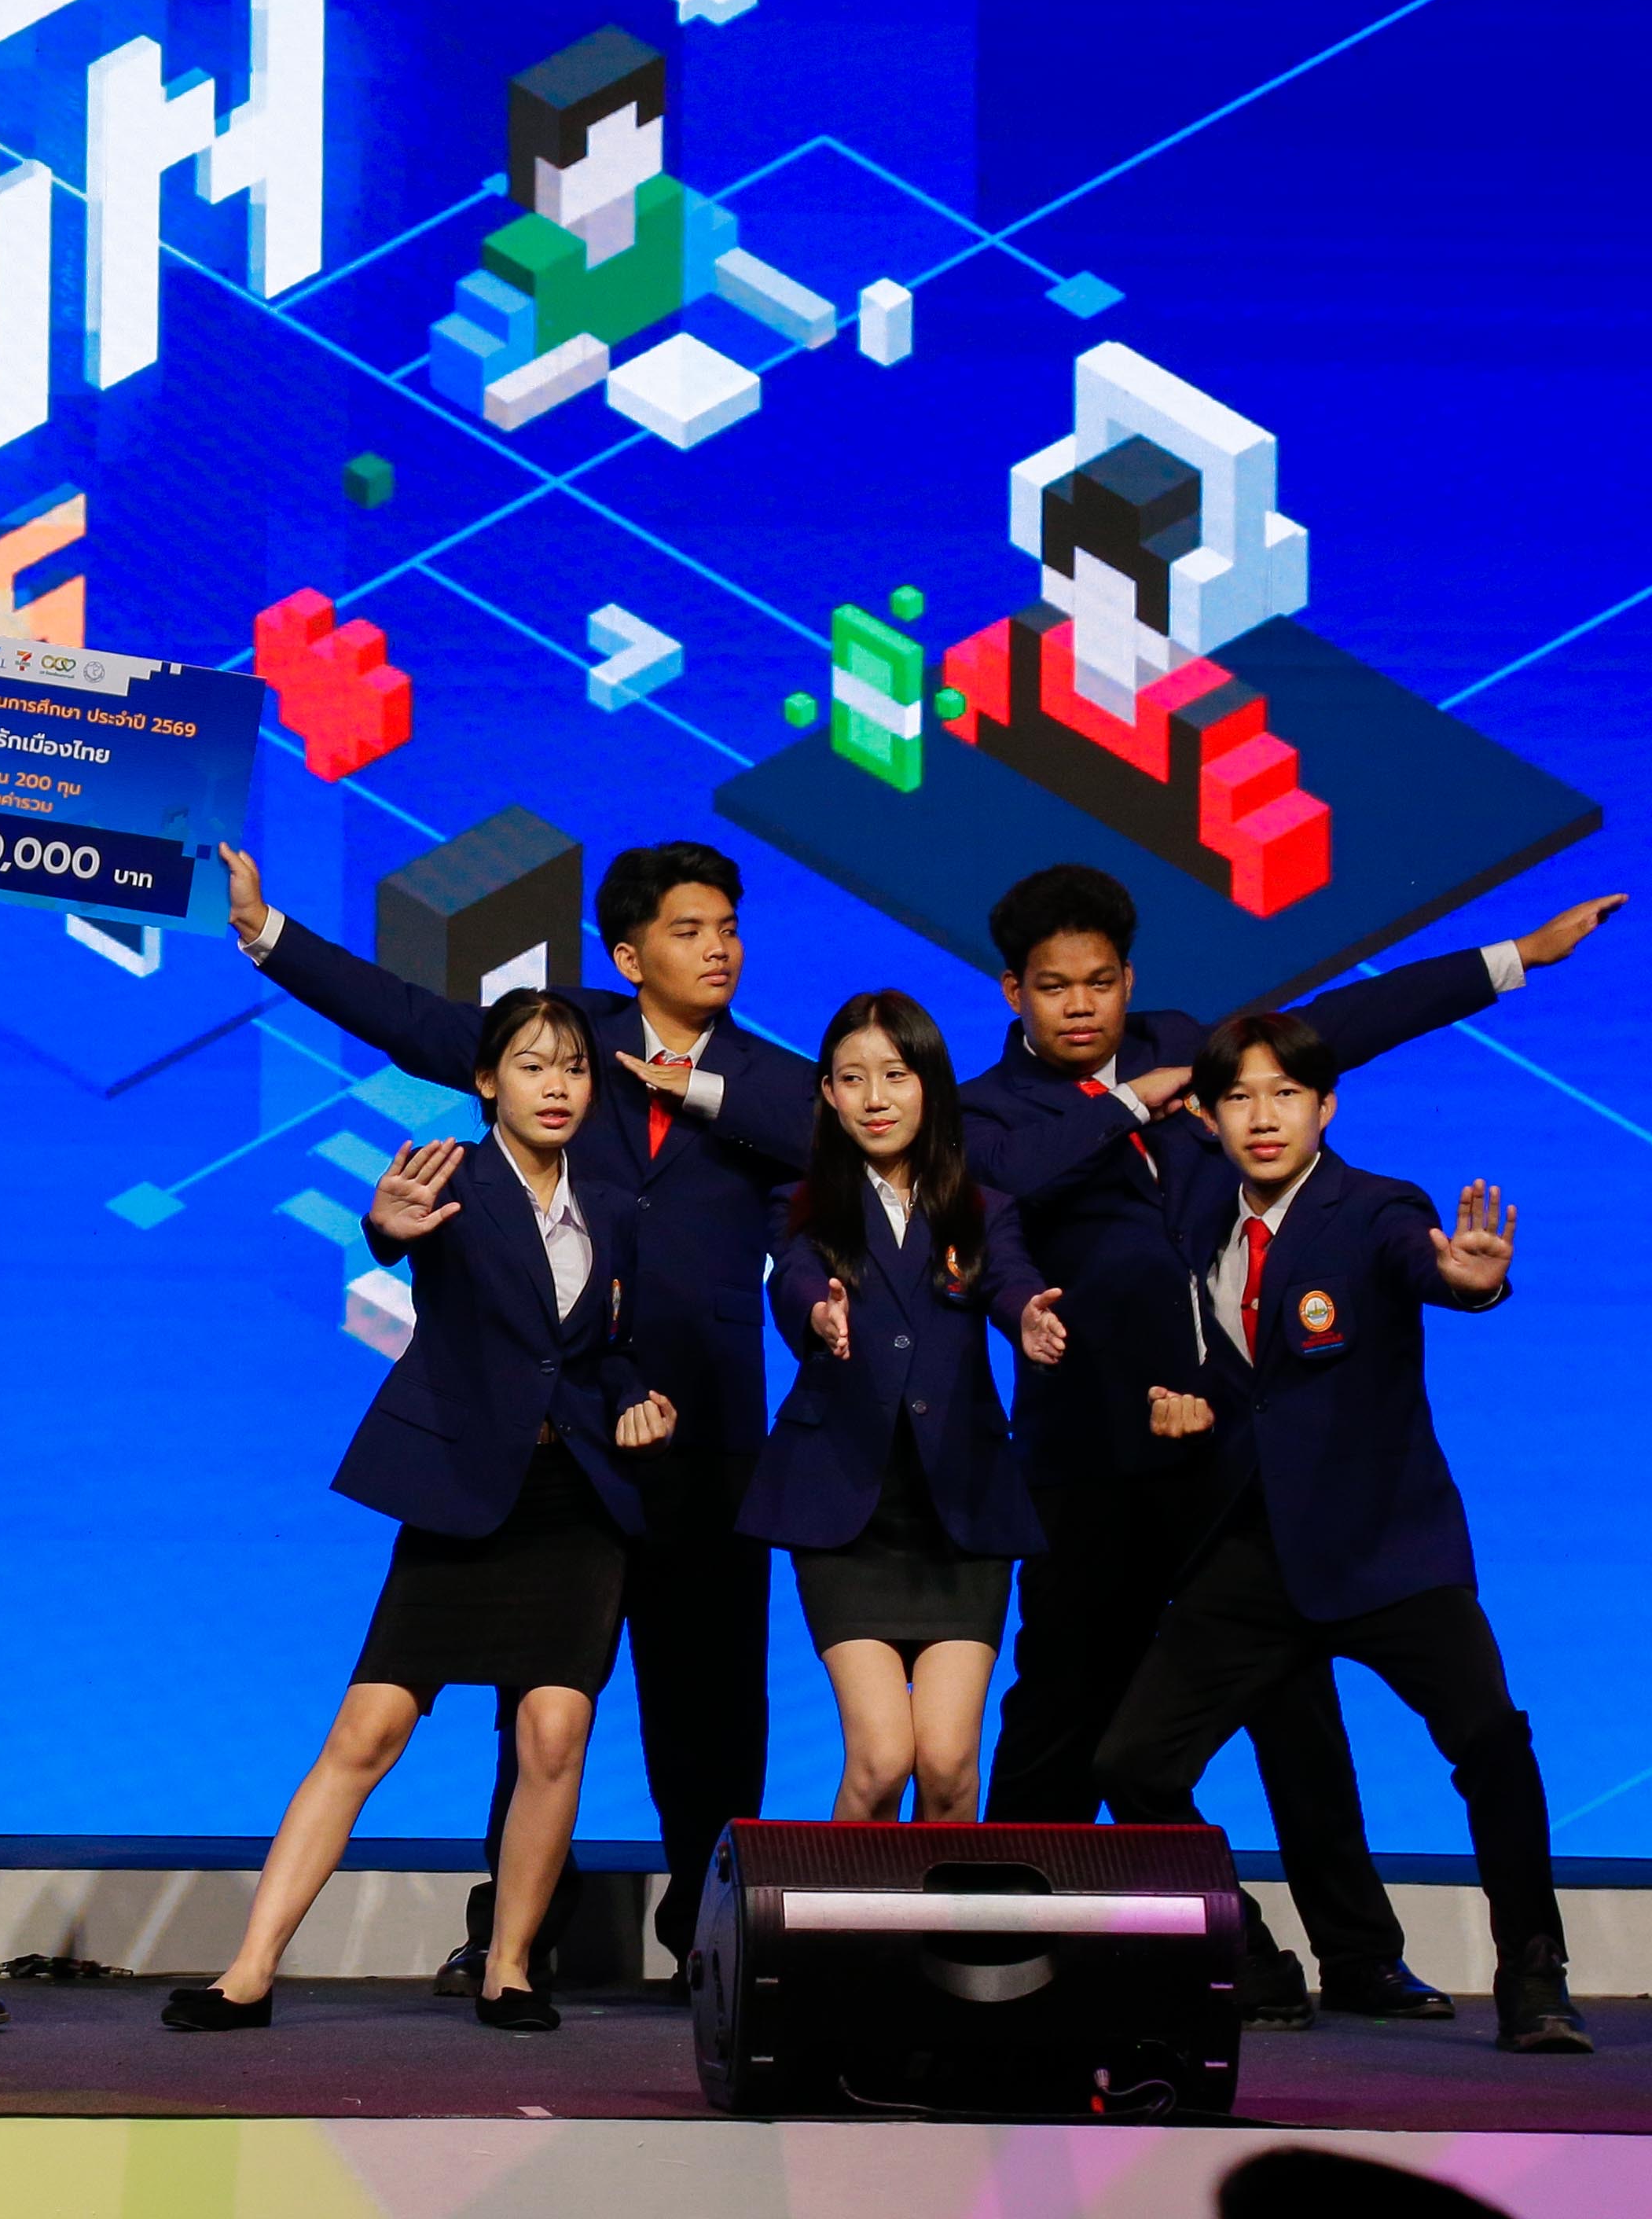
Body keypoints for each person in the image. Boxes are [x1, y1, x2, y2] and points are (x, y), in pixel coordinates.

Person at [967, 860, 1621, 2026]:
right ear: (1013, 990)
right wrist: (1123, 1120)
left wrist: (1514, 959)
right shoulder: (989, 1113)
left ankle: (1359, 1956)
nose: (1082, 1007)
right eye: (1055, 987)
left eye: (1101, 982)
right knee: (1068, 1716)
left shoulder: (1200, 1057)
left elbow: (1338, 1032)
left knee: (1298, 1712)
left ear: (1129, 978)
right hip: (1094, 1458)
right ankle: (1018, 1950)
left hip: (1243, 1464)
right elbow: (1001, 1203)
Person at [219, 836, 806, 1984]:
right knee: (534, 1699)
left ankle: (710, 1939)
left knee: (713, 1704)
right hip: (557, 1436)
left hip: (704, 1437)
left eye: (730, 929)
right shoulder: (567, 1045)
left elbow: (831, 1183)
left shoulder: (778, 1082)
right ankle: (515, 1939)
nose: (719, 949)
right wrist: (266, 932)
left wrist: (711, 1105)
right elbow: (410, 1019)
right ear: (629, 954)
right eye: (690, 930)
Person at [166, 990, 680, 2035]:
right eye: (532, 1066)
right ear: (487, 1082)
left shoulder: (614, 1204)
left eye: (573, 1068)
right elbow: (394, 1234)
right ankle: (248, 1971)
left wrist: (640, 1401)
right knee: (370, 1728)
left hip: (575, 1500)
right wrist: (382, 1228)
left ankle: (511, 1969)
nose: (556, 1087)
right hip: (462, 1493)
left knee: (554, 1732)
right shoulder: (450, 1178)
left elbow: (608, 1351)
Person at [1092, 1007, 1590, 2056]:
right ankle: (1247, 1954)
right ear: (1209, 1117)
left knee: (1492, 1743)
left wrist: (1473, 1283)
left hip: (1387, 1545)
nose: (1263, 1117)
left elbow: (1424, 1266)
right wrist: (1184, 1403)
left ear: (1326, 1106)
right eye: (1239, 1098)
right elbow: (1237, 1378)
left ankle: (1534, 1974)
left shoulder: (1376, 1209)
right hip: (1258, 1551)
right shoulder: (1203, 1224)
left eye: (1285, 1095)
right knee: (1134, 1764)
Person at [739, 991, 1066, 1820]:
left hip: (961, 1507)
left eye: (895, 1075)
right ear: (828, 1093)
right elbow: (797, 1279)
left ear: (931, 1085)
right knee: (882, 1760)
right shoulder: (802, 1202)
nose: (875, 1098)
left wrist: (1027, 1318)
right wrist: (819, 1316)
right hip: (847, 1509)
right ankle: (841, 1912)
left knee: (949, 1766)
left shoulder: (982, 1207)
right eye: (852, 1079)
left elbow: (1010, 1280)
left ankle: (937, 1910)